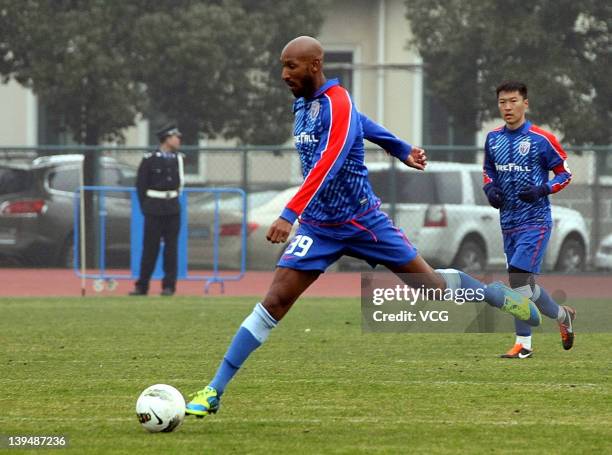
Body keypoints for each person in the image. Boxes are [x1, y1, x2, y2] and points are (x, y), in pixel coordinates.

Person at [185, 36, 541, 417]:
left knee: (433, 289)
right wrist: (399, 147)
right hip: (319, 227)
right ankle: (214, 389)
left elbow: (330, 160)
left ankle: (497, 296)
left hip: (363, 222)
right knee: (275, 300)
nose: (284, 73)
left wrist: (289, 213)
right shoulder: (303, 105)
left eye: (291, 66)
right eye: (282, 65)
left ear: (315, 65)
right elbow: (363, 123)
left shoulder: (336, 101)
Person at [483, 81, 575, 358]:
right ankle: (562, 315)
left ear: (526, 104)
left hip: (535, 221)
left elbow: (565, 174)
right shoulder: (493, 138)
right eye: (502, 102)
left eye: (513, 101)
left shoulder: (541, 139)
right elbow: (488, 170)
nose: (507, 107)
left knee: (518, 281)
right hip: (507, 222)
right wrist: (490, 189)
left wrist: (542, 189)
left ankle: (524, 344)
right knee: (525, 286)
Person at [129, 124, 184, 297]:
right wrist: (146, 207)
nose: (178, 140)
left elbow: (180, 183)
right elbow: (141, 186)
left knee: (171, 249)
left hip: (172, 208)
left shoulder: (178, 159)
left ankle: (169, 286)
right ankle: (142, 285)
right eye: (175, 137)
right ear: (167, 139)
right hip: (154, 208)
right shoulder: (150, 159)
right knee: (150, 248)